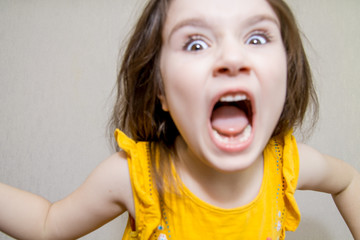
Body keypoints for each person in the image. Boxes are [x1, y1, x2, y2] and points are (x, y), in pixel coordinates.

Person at [0, 0, 359, 239]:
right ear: (161, 91)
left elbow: (346, 182)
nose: (232, 57)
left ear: (288, 70)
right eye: (195, 44)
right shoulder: (134, 177)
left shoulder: (287, 166)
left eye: (256, 36)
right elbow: (47, 225)